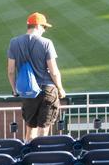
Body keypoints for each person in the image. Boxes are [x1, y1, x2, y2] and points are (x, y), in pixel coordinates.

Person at [7, 12, 67, 142]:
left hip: (28, 92)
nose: (44, 31)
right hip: (47, 90)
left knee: (30, 129)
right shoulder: (46, 43)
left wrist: (14, 89)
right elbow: (54, 71)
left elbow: (11, 71)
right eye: (44, 27)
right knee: (43, 130)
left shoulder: (14, 42)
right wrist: (61, 88)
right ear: (38, 26)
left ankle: (28, 156)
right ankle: (41, 157)